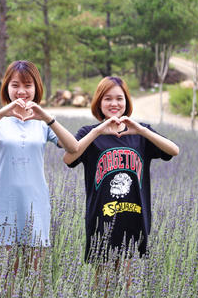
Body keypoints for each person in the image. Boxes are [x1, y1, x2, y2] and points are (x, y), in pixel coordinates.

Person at [0, 60, 78, 289]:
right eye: (15, 85)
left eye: (28, 85)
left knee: (34, 275)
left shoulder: (42, 122)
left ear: (36, 87)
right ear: (6, 87)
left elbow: (73, 147)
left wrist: (47, 118)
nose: (21, 91)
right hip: (3, 201)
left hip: (35, 202)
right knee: (5, 274)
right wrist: (0, 114)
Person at [63, 76, 179, 272]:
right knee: (104, 281)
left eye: (119, 98)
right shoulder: (88, 133)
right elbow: (68, 159)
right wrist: (98, 131)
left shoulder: (140, 133)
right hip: (102, 219)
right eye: (107, 98)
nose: (114, 103)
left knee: (127, 282)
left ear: (127, 101)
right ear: (99, 102)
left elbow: (173, 150)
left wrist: (142, 131)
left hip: (133, 217)